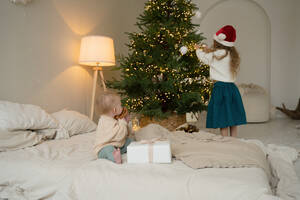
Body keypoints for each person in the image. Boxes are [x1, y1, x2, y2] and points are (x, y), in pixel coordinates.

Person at [195, 25, 247, 137]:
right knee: (233, 119)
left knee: (223, 119)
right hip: (232, 89)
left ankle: (225, 142)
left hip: (220, 89)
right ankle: (234, 141)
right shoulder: (232, 55)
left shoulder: (214, 55)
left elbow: (203, 58)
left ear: (217, 42)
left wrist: (198, 49)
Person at [94, 91, 132, 164]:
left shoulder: (114, 118)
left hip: (116, 144)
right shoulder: (105, 122)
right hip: (103, 148)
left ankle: (133, 148)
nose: (122, 107)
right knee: (109, 150)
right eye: (120, 105)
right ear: (114, 110)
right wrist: (123, 122)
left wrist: (126, 122)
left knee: (128, 141)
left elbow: (123, 135)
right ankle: (115, 158)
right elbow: (119, 136)